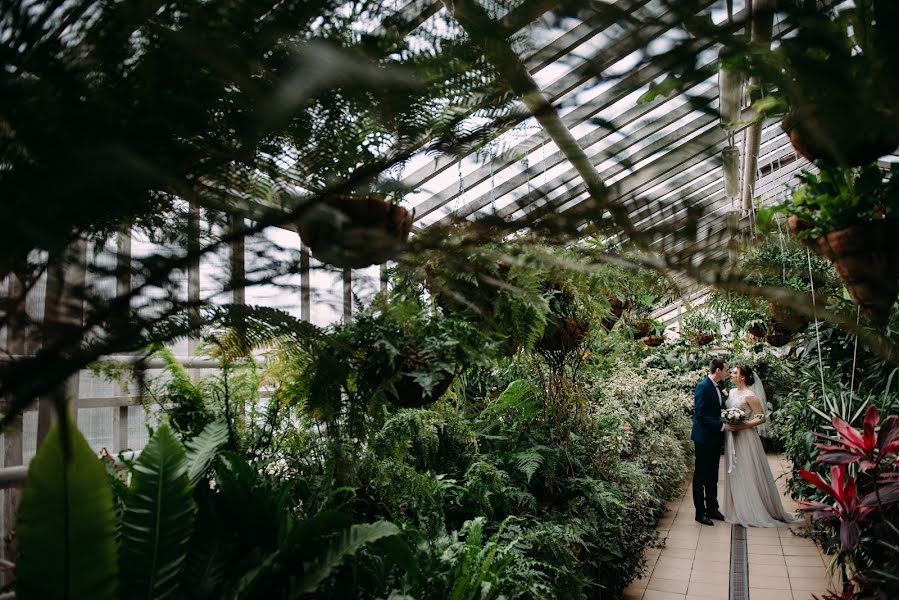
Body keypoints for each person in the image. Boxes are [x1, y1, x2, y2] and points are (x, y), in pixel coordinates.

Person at [722, 365, 800, 527]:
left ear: (742, 377)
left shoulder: (751, 396)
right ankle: (737, 508)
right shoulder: (730, 393)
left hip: (746, 437)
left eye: (735, 373)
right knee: (735, 470)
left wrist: (743, 425)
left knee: (747, 469)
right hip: (731, 436)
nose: (731, 374)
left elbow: (761, 417)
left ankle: (753, 509)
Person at [691, 358, 728, 525]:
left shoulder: (719, 386)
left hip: (714, 439)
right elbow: (700, 414)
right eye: (726, 370)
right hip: (704, 439)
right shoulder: (703, 387)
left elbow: (718, 410)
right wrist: (722, 426)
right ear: (718, 370)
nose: (728, 373)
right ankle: (700, 513)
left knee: (713, 476)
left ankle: (712, 508)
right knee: (701, 476)